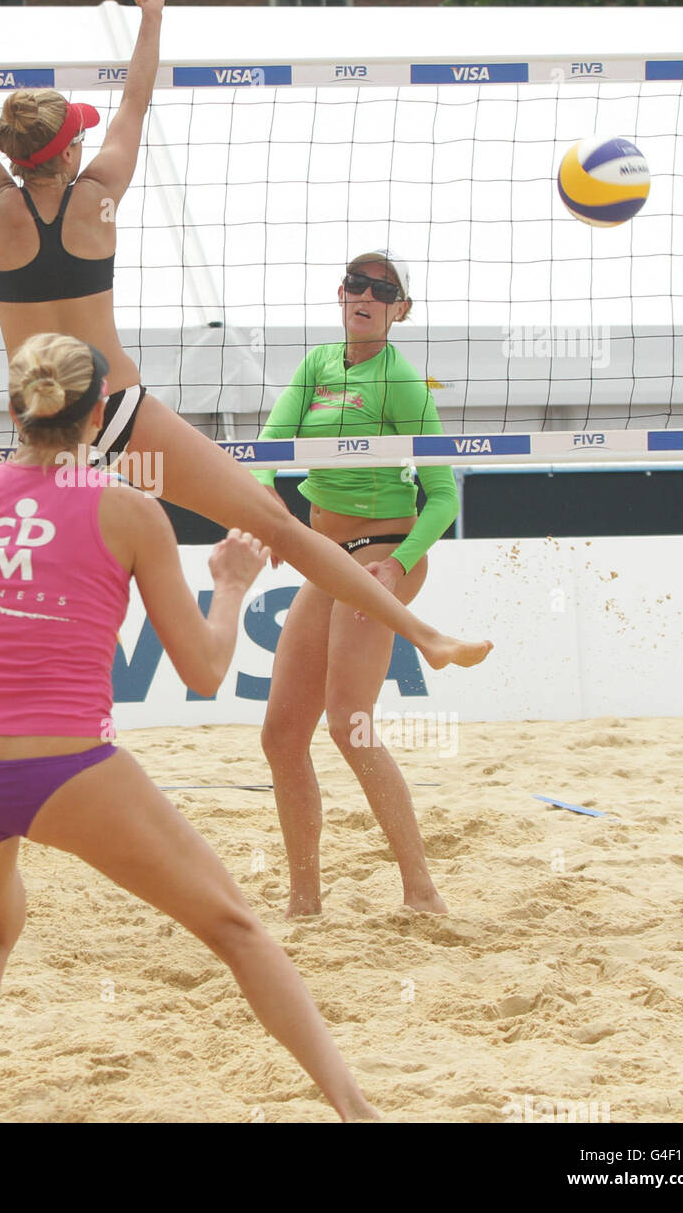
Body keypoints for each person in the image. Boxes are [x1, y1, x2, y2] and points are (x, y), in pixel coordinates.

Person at [0, 0, 490, 672]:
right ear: (68, 153)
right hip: (115, 407)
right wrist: (151, 20)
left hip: (40, 419)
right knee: (274, 521)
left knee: (26, 570)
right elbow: (134, 101)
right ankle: (423, 635)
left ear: (16, 158)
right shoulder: (97, 197)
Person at [0, 332, 379, 1123]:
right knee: (235, 928)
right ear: (100, 414)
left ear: (14, 409)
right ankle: (355, 1112)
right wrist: (229, 587)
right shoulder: (129, 508)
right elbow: (201, 672)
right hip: (65, 767)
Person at [255, 254, 457, 915]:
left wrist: (400, 564)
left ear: (400, 309)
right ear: (339, 294)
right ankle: (303, 901)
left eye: (382, 290)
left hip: (383, 549)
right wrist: (270, 516)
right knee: (282, 735)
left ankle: (420, 891)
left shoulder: (401, 382)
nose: (364, 295)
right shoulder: (317, 364)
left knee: (349, 724)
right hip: (322, 551)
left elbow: (442, 496)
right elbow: (267, 450)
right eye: (355, 284)